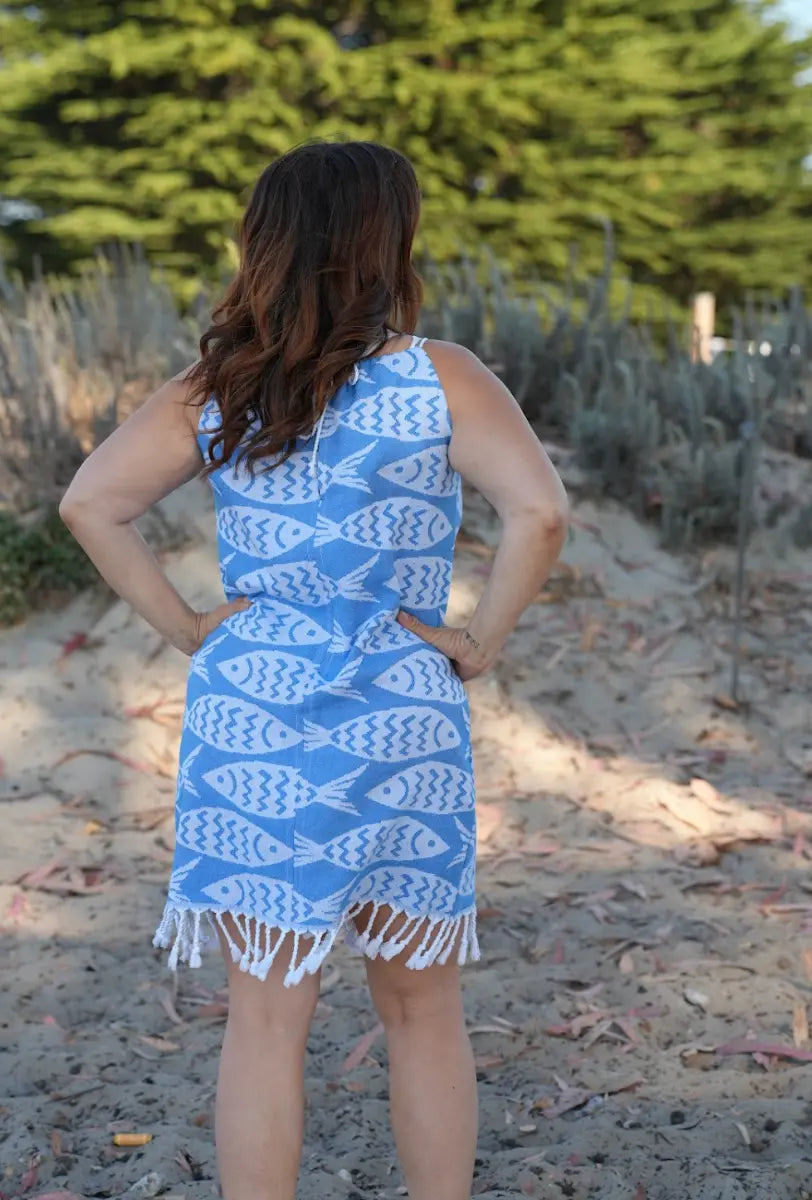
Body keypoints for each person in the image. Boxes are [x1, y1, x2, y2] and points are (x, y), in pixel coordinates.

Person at [59, 141, 568, 1200]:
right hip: (401, 702)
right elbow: (541, 512)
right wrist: (479, 641)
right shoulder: (441, 378)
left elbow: (90, 503)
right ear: (386, 242)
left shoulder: (220, 387)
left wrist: (192, 628)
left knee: (264, 1014)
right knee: (421, 1009)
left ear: (267, 245)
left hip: (253, 705)